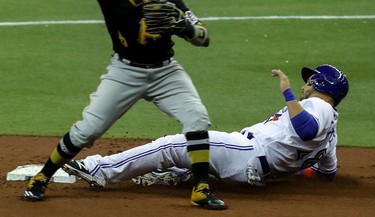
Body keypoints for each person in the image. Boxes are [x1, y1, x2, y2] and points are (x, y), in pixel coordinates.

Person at [24, 0, 226, 210]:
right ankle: (42, 177)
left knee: (197, 116)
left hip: (166, 73)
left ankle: (201, 189)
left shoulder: (169, 1)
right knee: (88, 130)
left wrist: (185, 28)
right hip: (124, 72)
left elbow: (204, 37)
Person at [62, 64, 349, 193]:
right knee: (195, 158)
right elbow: (327, 173)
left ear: (322, 85)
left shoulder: (318, 107)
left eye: (310, 81)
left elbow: (306, 130)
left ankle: (99, 169)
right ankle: (172, 176)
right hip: (257, 170)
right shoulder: (332, 135)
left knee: (175, 145)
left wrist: (287, 93)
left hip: (247, 153)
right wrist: (292, 164)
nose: (305, 84)